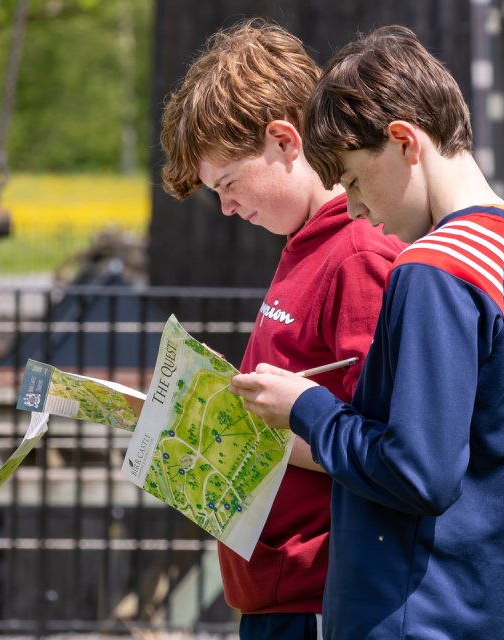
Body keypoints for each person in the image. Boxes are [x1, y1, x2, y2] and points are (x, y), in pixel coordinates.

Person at [229, 25, 504, 639]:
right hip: (474, 607)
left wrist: (309, 410)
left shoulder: (433, 267)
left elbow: (418, 472)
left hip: (408, 615)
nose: (353, 208)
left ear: (405, 141)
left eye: (352, 179)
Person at [159, 18, 405, 640]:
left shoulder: (357, 255)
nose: (227, 207)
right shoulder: (306, 243)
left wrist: (257, 426)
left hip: (319, 592)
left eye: (230, 182)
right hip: (278, 590)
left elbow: (384, 448)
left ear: (284, 140)